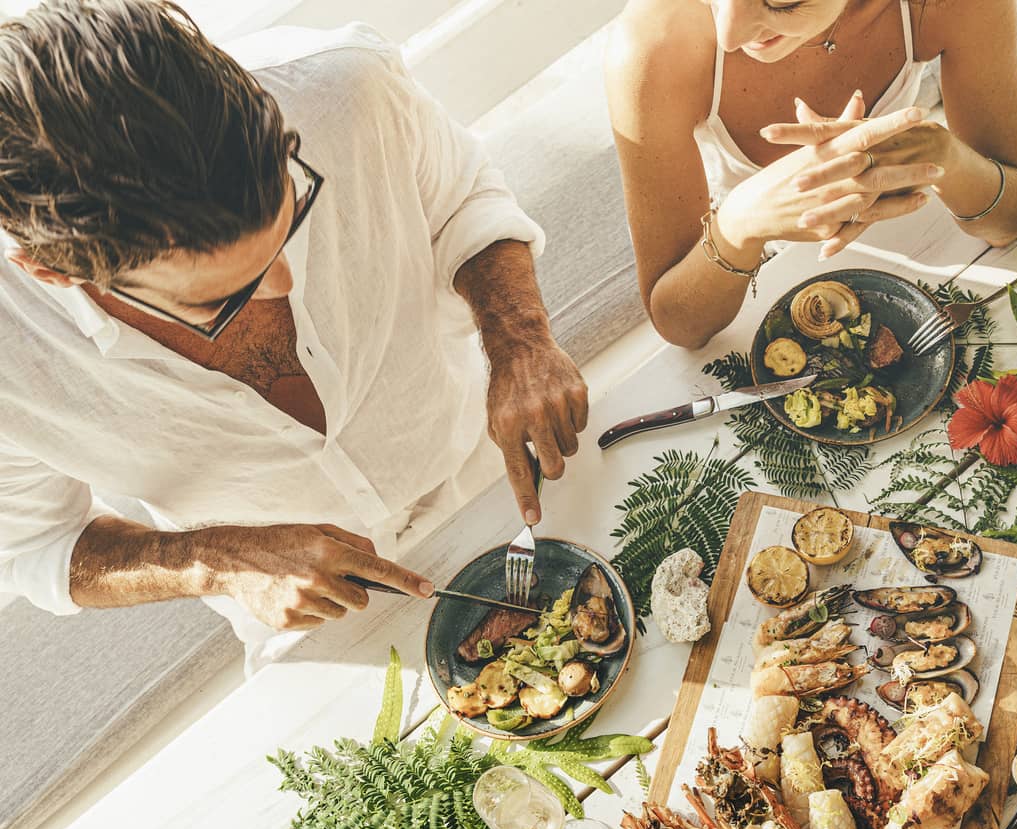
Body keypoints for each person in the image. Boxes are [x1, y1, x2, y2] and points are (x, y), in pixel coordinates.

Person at [0, 0, 587, 650]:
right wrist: (222, 559)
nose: (286, 282)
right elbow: (42, 544)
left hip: (500, 479)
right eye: (224, 297)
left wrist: (520, 341)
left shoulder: (341, 88)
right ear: (54, 272)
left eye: (293, 209)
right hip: (324, 625)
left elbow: (463, 197)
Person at [605, 0, 1017, 349]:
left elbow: (1010, 222)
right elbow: (680, 325)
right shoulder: (650, 47)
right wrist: (741, 222)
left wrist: (943, 155)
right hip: (749, 280)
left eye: (781, 2)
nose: (730, 34)